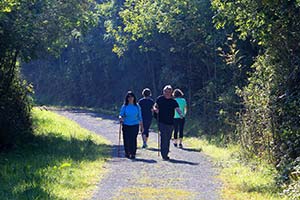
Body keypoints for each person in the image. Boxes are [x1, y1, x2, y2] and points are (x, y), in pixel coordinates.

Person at [153, 85, 184, 160]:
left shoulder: (173, 101)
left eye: (169, 92)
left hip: (170, 122)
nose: (167, 93)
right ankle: (164, 154)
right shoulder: (160, 99)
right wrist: (155, 109)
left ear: (171, 93)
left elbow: (177, 108)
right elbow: (155, 106)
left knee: (168, 138)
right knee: (164, 136)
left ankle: (165, 151)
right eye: (166, 92)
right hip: (161, 121)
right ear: (163, 92)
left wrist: (181, 114)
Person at [119, 91, 143, 159]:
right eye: (128, 97)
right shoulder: (124, 106)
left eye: (131, 96)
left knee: (133, 139)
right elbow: (121, 114)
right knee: (126, 139)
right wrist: (120, 118)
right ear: (127, 98)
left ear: (134, 97)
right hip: (126, 124)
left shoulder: (137, 106)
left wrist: (142, 126)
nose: (130, 98)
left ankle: (133, 153)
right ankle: (127, 152)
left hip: (135, 124)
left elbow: (140, 116)